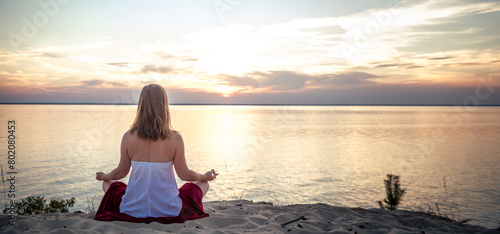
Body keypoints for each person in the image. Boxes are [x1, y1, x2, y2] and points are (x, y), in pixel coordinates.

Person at [94, 84, 217, 223]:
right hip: (169, 211)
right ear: (164, 105)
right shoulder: (175, 139)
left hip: (132, 210)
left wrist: (104, 176)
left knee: (108, 184)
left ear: (141, 106)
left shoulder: (128, 137)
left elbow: (120, 173)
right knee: (203, 184)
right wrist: (204, 176)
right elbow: (184, 175)